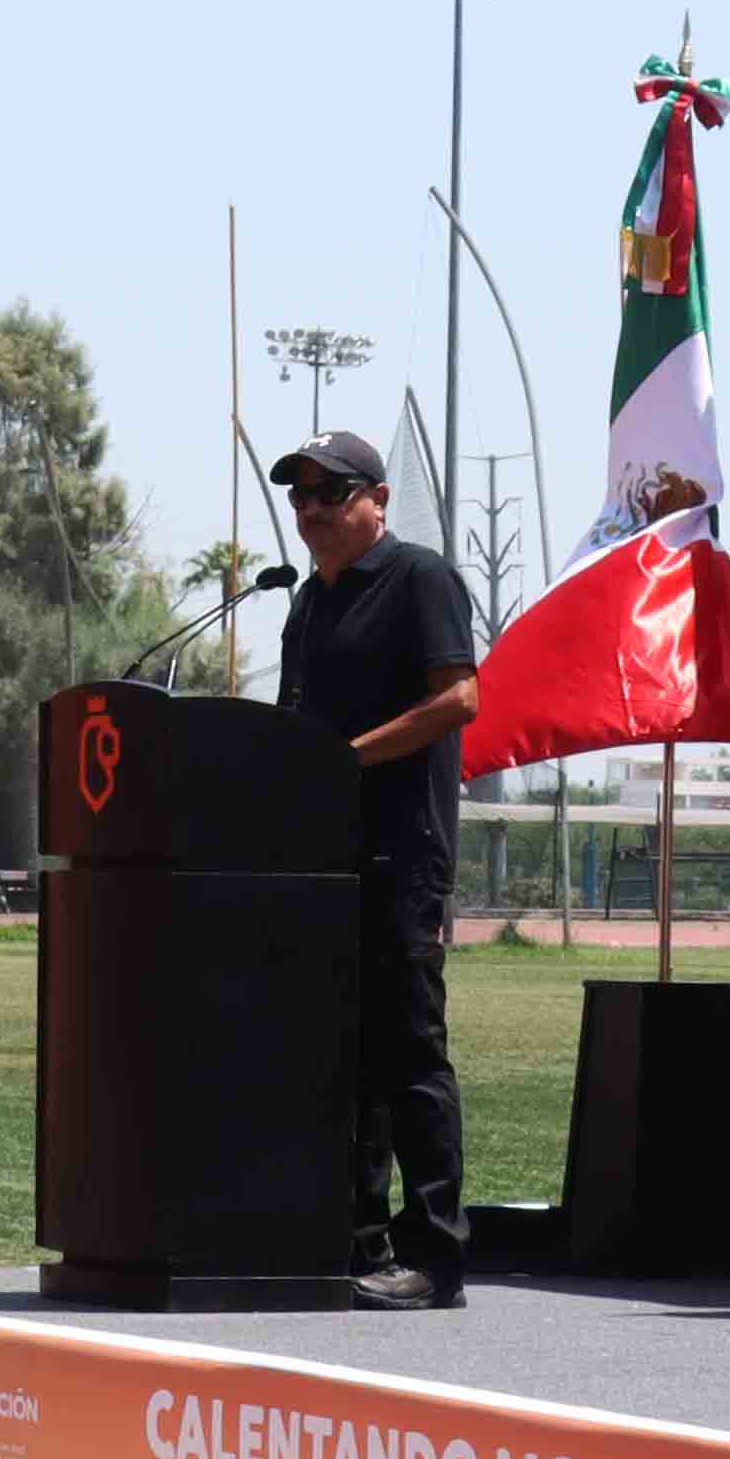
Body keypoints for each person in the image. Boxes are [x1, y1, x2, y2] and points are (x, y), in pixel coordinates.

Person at [267, 427, 486, 1306]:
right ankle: (356, 1242)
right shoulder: (307, 604)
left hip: (403, 854)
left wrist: (349, 759)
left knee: (410, 1054)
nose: (313, 511)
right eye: (302, 497)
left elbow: (460, 698)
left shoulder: (419, 578)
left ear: (379, 499)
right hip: (324, 860)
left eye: (332, 494)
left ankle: (435, 1258)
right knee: (342, 1057)